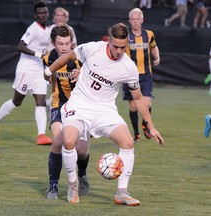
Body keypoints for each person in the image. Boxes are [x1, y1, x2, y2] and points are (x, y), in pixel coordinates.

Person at [44, 23, 164, 206]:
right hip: (80, 105)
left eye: (123, 47)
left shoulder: (128, 67)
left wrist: (151, 125)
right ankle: (72, 184)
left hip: (105, 110)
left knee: (128, 142)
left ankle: (122, 193)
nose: (119, 51)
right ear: (108, 41)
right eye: (115, 46)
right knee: (68, 141)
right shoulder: (93, 48)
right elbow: (69, 55)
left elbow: (138, 98)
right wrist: (49, 70)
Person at [0, 1, 52, 145]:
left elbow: (44, 51)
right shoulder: (33, 28)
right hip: (26, 68)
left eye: (45, 12)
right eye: (40, 13)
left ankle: (41, 136)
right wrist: (38, 55)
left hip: (39, 70)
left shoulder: (47, 30)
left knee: (40, 101)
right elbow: (20, 46)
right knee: (17, 101)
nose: (43, 15)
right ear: (35, 15)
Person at [43, 24, 90, 199]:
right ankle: (53, 186)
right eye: (60, 43)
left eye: (67, 43)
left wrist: (82, 77)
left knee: (82, 150)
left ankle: (83, 173)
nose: (64, 47)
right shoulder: (48, 58)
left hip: (81, 106)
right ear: (53, 43)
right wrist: (47, 76)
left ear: (72, 43)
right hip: (59, 105)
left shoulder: (81, 59)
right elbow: (47, 76)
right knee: (58, 141)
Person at [123, 8, 160, 142]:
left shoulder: (149, 34)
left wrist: (157, 57)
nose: (135, 21)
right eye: (133, 19)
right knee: (133, 106)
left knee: (147, 102)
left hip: (146, 75)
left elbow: (154, 46)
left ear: (142, 20)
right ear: (130, 21)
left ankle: (146, 124)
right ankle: (136, 133)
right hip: (130, 75)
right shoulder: (126, 36)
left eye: (138, 19)